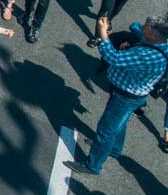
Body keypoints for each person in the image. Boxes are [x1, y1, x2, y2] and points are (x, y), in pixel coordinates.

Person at [64, 15, 168, 176]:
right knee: (120, 123)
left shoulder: (148, 55)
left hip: (125, 96)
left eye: (146, 27)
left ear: (155, 34)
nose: (142, 27)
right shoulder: (159, 45)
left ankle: (93, 165)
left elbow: (113, 57)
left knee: (106, 130)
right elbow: (135, 26)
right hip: (131, 94)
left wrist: (103, 33)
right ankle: (113, 149)